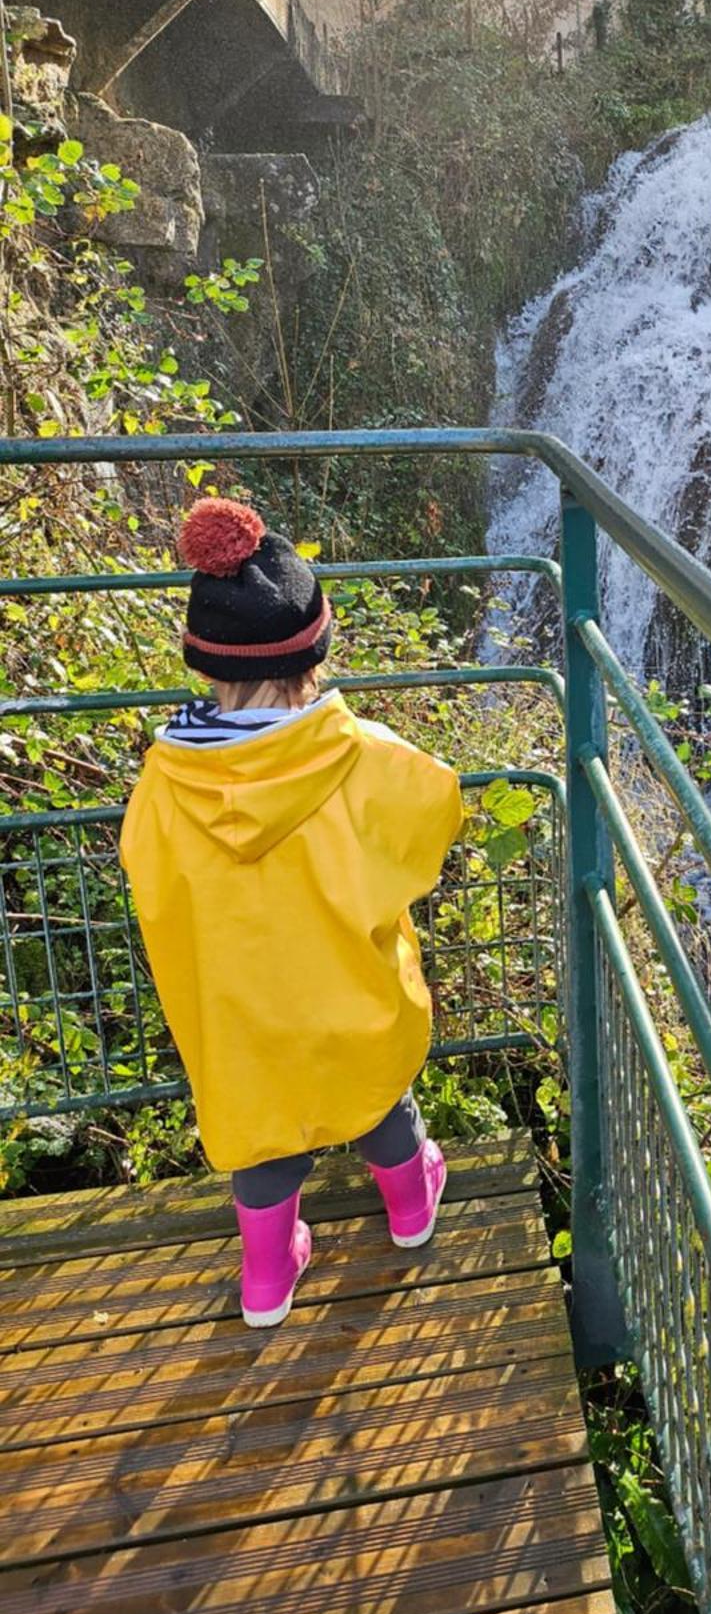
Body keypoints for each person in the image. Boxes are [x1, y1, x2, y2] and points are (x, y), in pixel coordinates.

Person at [121, 497, 465, 1327]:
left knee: (265, 1144)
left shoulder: (166, 782)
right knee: (380, 1095)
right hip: (345, 994)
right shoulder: (361, 758)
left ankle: (268, 1280)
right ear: (315, 650)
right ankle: (412, 1209)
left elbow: (149, 874)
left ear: (206, 665)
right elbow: (436, 807)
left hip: (243, 1017)